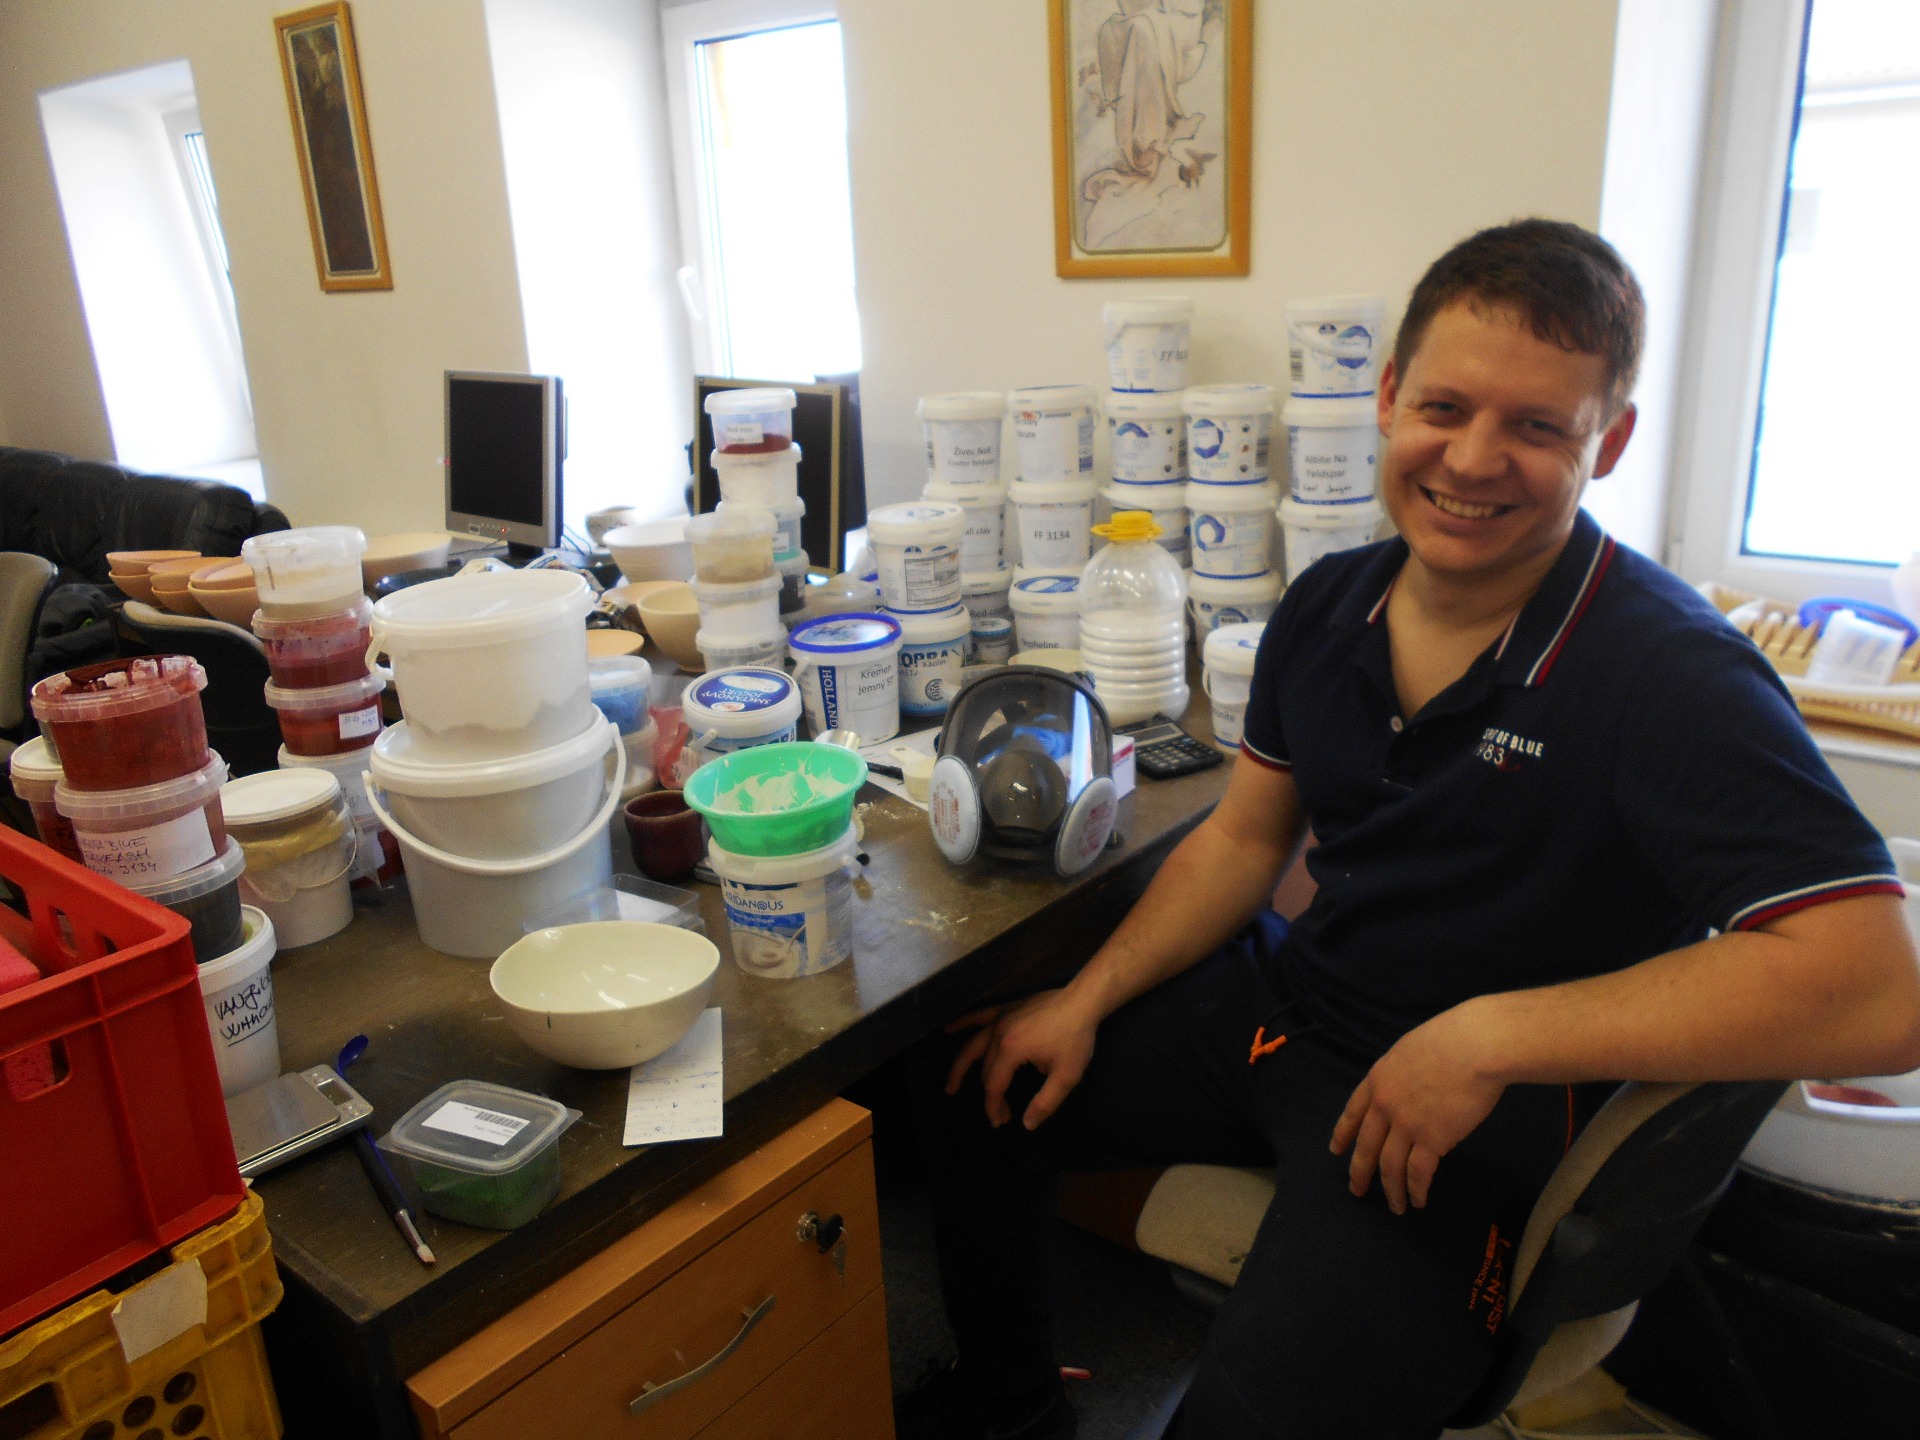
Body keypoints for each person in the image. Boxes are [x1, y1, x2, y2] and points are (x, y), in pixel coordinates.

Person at [898, 219, 1920, 1440]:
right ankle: (1007, 1404)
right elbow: (1242, 842)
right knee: (979, 1085)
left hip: (1479, 1121)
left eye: (1538, 426)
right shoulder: (1329, 604)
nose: (1474, 459)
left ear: (1609, 442)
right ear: (1387, 397)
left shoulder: (1671, 676)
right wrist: (1085, 999)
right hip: (1301, 1015)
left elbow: (1877, 993)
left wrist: (1488, 1037)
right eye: (1444, 406)